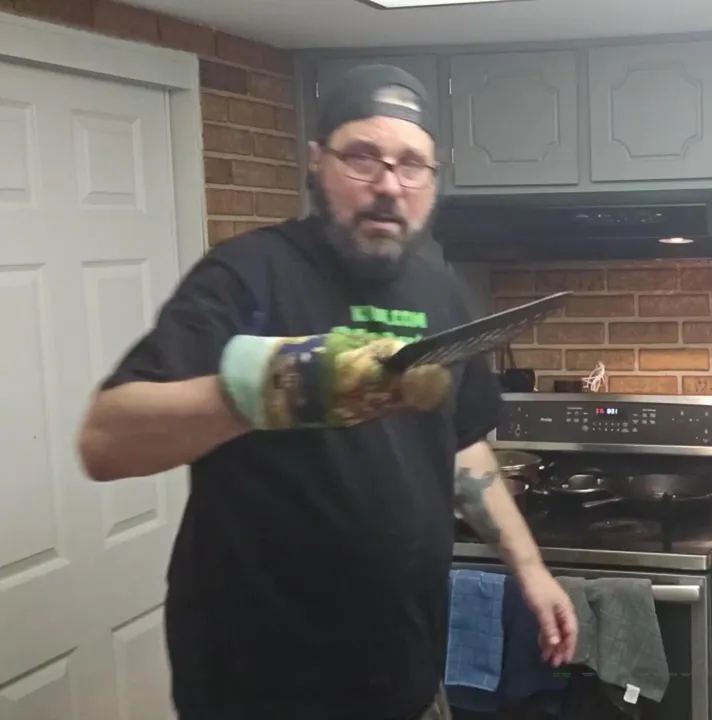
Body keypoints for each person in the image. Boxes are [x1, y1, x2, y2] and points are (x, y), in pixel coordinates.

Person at [75, 64, 577, 720]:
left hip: (408, 677)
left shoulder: (439, 291)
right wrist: (287, 384)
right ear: (317, 161)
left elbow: (460, 445)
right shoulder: (248, 276)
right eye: (363, 158)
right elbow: (105, 442)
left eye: (411, 165)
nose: (388, 185)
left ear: (432, 178)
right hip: (261, 690)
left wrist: (530, 568)